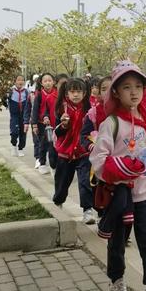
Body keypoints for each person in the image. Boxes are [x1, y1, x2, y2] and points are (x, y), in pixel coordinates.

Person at [89, 60, 146, 291]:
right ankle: (116, 281)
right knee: (118, 241)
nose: (133, 92)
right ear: (115, 93)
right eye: (126, 87)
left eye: (138, 86)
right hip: (120, 195)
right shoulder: (110, 124)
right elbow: (98, 161)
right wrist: (121, 169)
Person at [52, 78, 95, 224]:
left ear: (84, 93)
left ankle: (88, 210)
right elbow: (56, 133)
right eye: (72, 91)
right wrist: (63, 125)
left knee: (85, 181)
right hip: (65, 153)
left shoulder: (89, 110)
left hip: (83, 151)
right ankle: (58, 203)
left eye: (79, 91)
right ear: (66, 93)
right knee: (62, 181)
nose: (75, 95)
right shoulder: (61, 109)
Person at [31, 72, 58, 175]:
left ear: (54, 82)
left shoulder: (57, 93)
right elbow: (35, 110)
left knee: (53, 145)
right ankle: (42, 163)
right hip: (42, 124)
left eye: (49, 80)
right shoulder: (39, 94)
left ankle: (54, 165)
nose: (48, 83)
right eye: (45, 81)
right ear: (41, 83)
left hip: (54, 123)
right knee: (43, 144)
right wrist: (34, 125)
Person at [7, 74, 30, 157]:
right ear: (15, 81)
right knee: (14, 132)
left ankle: (21, 148)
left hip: (24, 115)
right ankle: (13, 146)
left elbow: (29, 104)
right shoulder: (11, 91)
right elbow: (5, 101)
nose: (20, 82)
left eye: (22, 80)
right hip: (14, 115)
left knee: (23, 132)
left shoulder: (27, 91)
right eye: (19, 80)